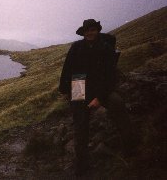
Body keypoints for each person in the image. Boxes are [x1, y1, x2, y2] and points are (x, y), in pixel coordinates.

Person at [58, 19, 138, 176]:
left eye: (93, 30)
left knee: (117, 103)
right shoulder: (76, 47)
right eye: (87, 30)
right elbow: (67, 69)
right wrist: (65, 90)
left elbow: (109, 77)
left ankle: (130, 148)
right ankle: (82, 165)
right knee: (80, 124)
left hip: (101, 87)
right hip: (79, 85)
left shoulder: (106, 48)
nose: (90, 33)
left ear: (97, 30)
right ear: (84, 32)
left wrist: (99, 98)